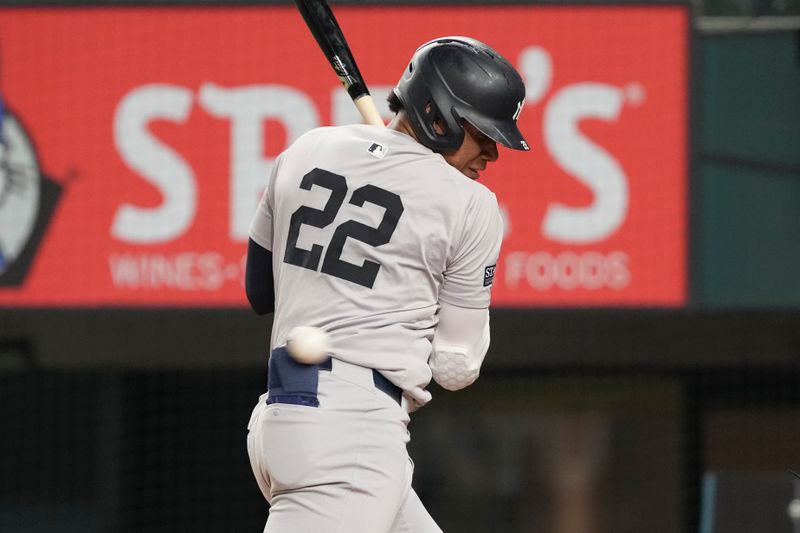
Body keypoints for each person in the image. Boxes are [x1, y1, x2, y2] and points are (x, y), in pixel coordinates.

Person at [245, 36, 529, 533]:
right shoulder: (469, 203)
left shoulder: (308, 147)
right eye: (481, 134)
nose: (492, 152)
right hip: (349, 432)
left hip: (290, 416)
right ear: (438, 116)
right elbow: (455, 367)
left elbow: (258, 291)